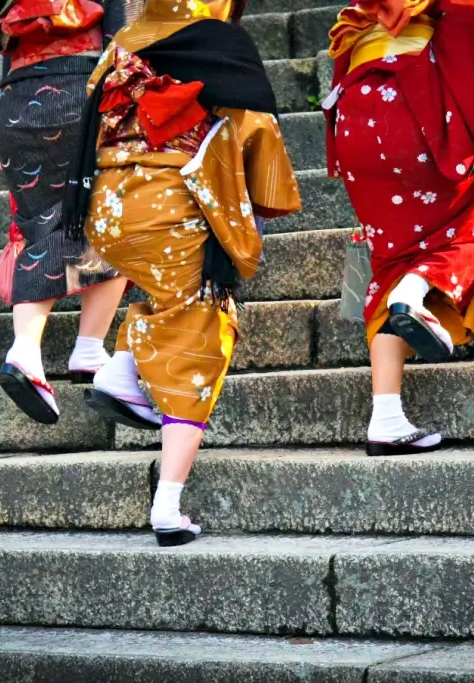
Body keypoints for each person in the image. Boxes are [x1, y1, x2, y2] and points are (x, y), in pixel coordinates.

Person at [65, 0, 301, 545]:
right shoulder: (218, 40)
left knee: (165, 294)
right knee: (201, 337)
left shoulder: (119, 46)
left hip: (107, 210)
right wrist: (264, 197)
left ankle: (121, 372)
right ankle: (168, 505)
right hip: (172, 209)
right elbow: (254, 127)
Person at [324, 0, 474, 456]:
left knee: (390, 254)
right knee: (466, 228)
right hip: (416, 105)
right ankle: (412, 294)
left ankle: (386, 416)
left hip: (356, 115)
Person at [0, 0, 133, 424]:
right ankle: (57, 350)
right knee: (112, 218)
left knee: (39, 225)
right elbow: (124, 41)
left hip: (15, 104)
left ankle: (57, 350)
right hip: (81, 94)